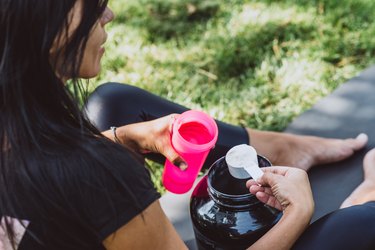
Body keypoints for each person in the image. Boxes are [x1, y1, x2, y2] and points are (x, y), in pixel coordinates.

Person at [0, 0, 369, 249]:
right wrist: (298, 213)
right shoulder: (93, 174)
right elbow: (78, 177)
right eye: (95, 6)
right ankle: (364, 197)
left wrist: (122, 138)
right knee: (361, 224)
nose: (108, 14)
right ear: (49, 28)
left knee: (113, 104)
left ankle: (286, 149)